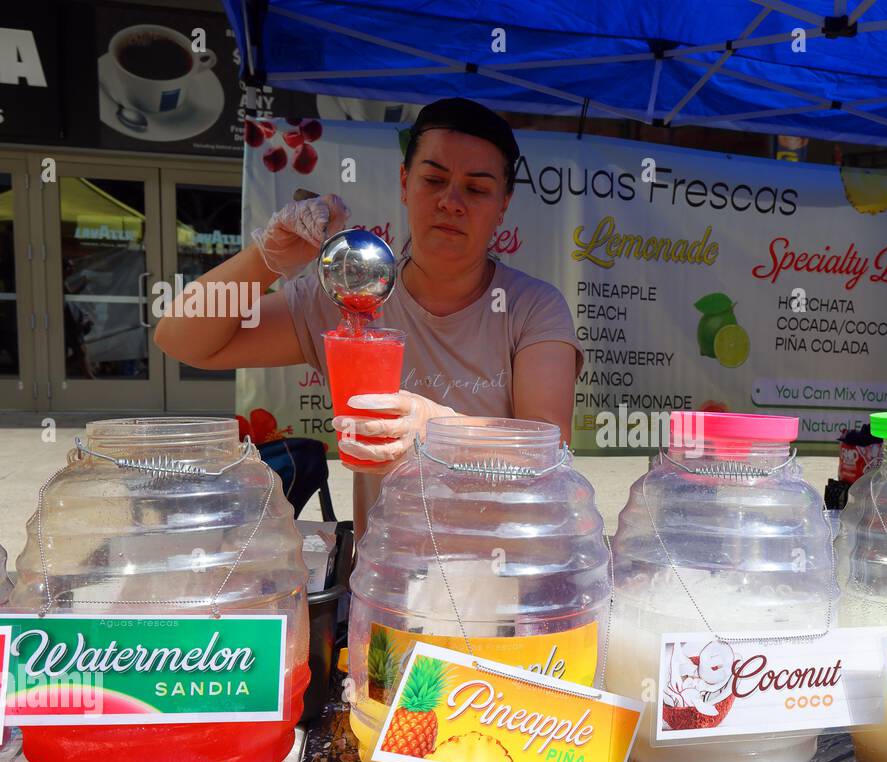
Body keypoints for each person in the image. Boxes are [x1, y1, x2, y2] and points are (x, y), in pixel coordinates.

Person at [155, 98, 582, 538]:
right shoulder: (348, 294)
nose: (451, 202)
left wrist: (437, 429)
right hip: (385, 578)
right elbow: (183, 340)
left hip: (500, 568)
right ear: (404, 182)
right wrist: (266, 258)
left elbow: (548, 446)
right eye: (433, 179)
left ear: (503, 204)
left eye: (476, 189)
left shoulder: (532, 306)